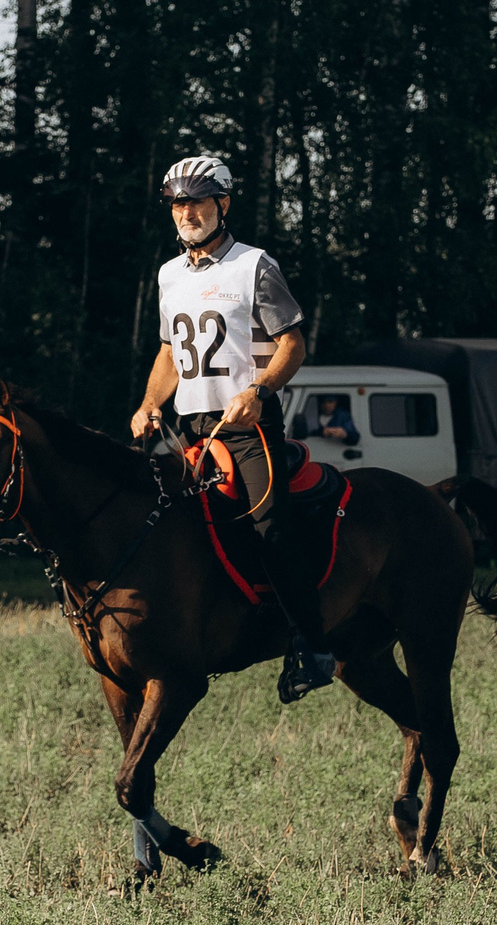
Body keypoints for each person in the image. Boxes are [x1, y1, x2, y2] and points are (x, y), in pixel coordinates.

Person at [128, 155, 334, 703]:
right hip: (189, 428)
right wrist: (149, 403)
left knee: (269, 528)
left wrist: (258, 392)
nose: (186, 213)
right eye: (178, 204)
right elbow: (169, 353)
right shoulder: (169, 275)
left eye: (197, 202)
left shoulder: (254, 265)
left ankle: (312, 646)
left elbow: (293, 344)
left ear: (222, 203)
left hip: (248, 426)